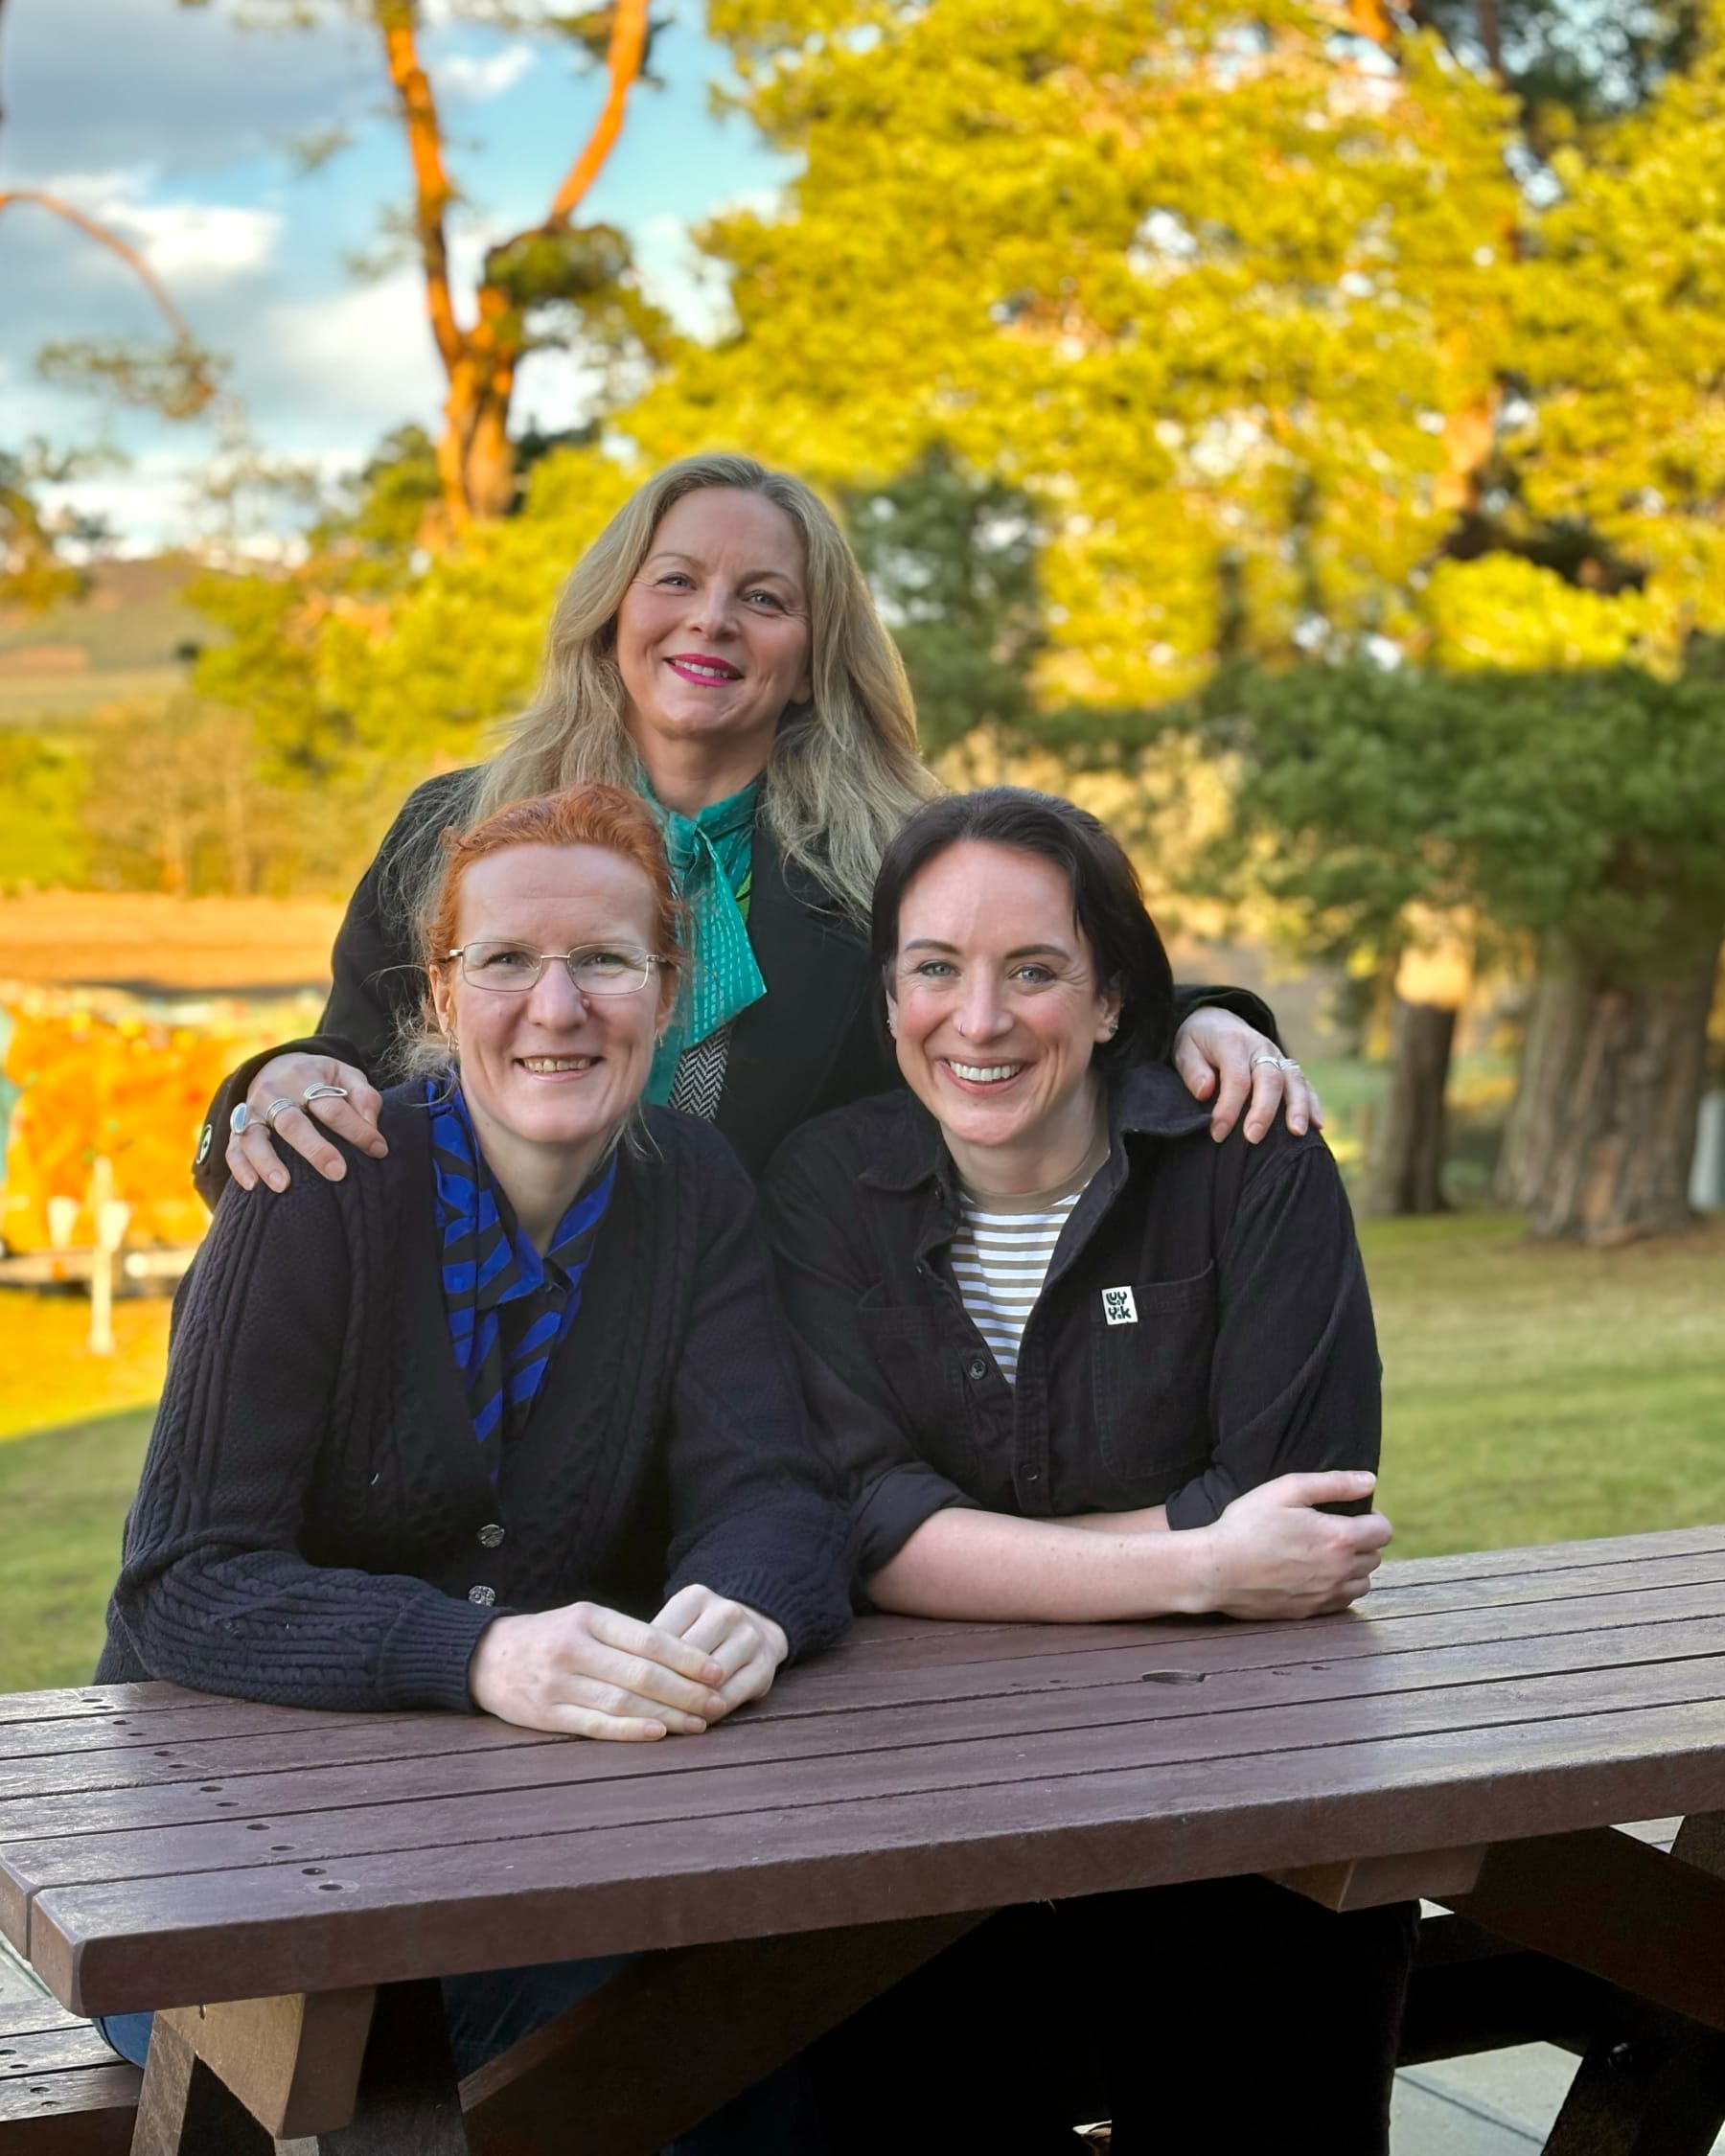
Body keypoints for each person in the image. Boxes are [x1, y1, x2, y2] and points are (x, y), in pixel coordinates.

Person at [97, 781, 850, 2148]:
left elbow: (777, 1492)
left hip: (511, 1850)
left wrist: (750, 1600)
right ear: (440, 995)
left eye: (605, 961)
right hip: (215, 1862)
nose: (555, 1008)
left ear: (669, 992)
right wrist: (474, 1656)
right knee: (406, 2098)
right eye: (505, 960)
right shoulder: (316, 1193)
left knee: (752, 2055)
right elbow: (182, 1584)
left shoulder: (693, 1190)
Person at [761, 787, 1411, 2155]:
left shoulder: (1251, 1157)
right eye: (934, 968)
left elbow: (1306, 1494)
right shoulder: (823, 1188)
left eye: (1034, 970)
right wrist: (1199, 1561)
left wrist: (969, 1554)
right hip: (926, 1806)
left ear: (1117, 998)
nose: (979, 1020)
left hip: (1242, 1782)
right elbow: (859, 1520)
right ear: (889, 998)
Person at [193, 453, 1316, 1206]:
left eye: (765, 599)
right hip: (490, 1354)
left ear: (814, 652)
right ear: (612, 611)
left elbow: (1050, 1013)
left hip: (787, 1373)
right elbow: (349, 1058)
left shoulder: (906, 860)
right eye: (675, 579)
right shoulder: (454, 829)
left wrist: (1205, 1026)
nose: (712, 620)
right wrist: (276, 1084)